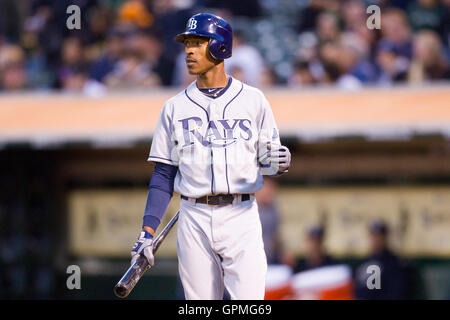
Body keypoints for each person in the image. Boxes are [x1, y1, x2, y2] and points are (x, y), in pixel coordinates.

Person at [129, 13, 291, 300]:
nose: (189, 51)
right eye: (187, 44)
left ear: (220, 47)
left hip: (241, 213)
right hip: (193, 215)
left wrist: (277, 163)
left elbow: (269, 161)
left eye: (198, 43)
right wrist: (147, 231)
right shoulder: (174, 107)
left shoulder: (254, 100)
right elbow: (163, 174)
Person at [354, 220, 411, 300]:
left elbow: (397, 294)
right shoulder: (363, 263)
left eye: (379, 236)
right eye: (373, 235)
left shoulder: (395, 264)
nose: (376, 239)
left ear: (385, 238)